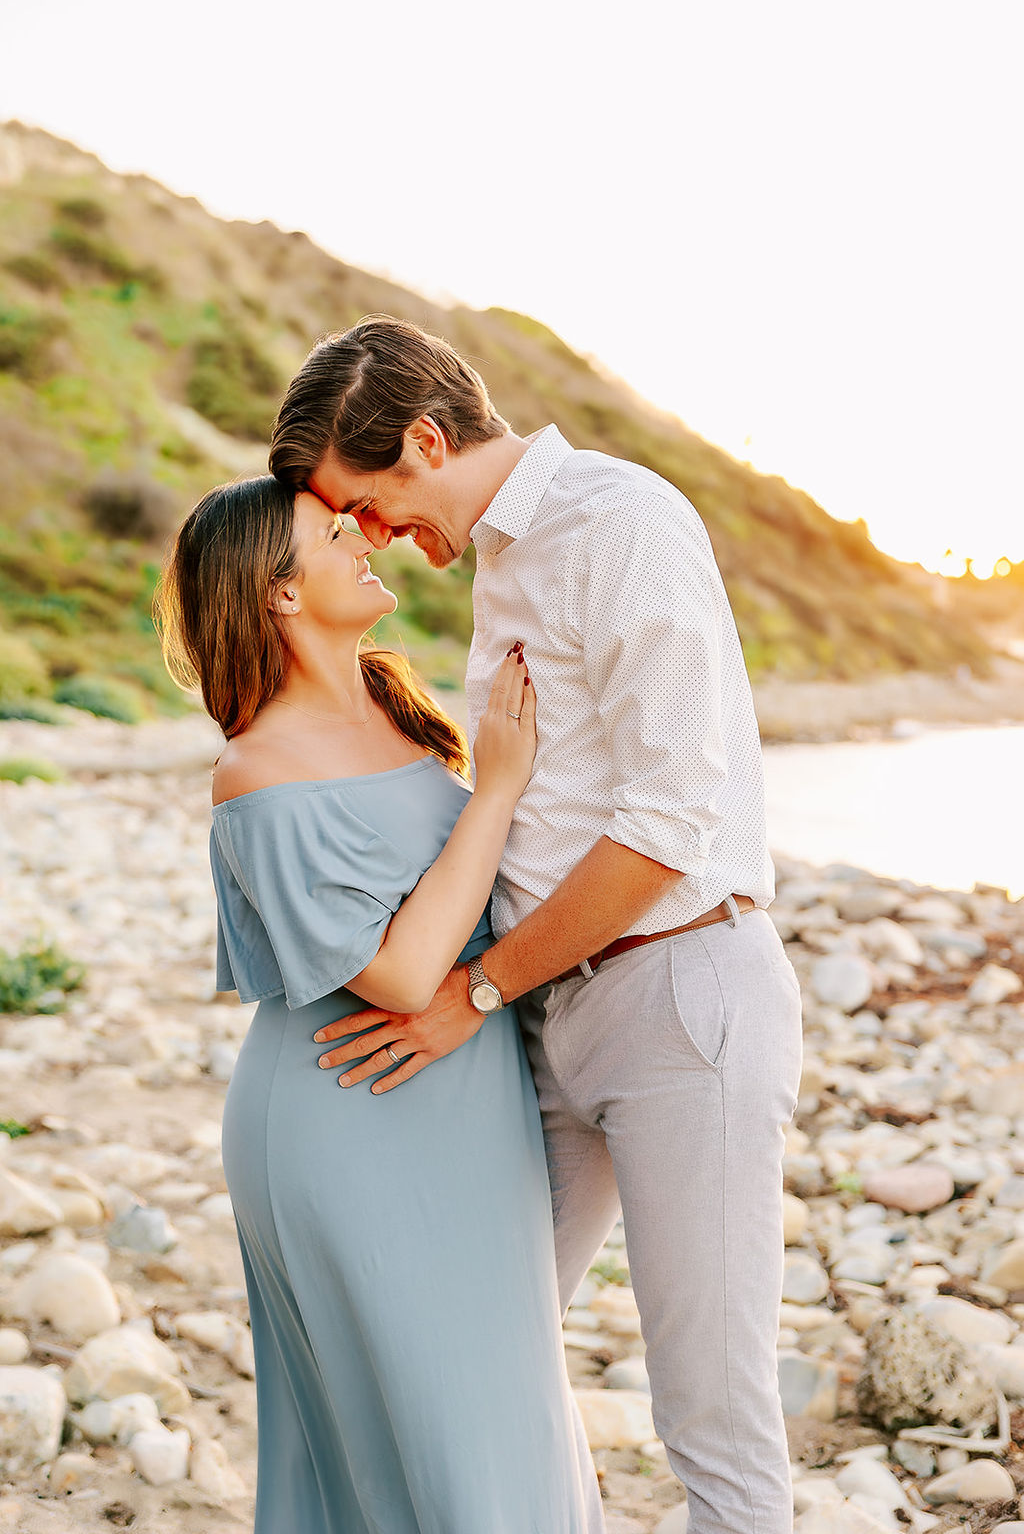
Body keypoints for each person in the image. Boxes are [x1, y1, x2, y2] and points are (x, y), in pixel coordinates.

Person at [269, 316, 805, 1534]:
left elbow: (669, 821)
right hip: (546, 1008)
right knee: (478, 1346)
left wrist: (472, 994)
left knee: (711, 1417)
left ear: (422, 438)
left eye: (375, 505)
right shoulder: (500, 554)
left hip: (678, 998)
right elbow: (543, 802)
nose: (381, 540)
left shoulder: (618, 526)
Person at [157, 476, 604, 1534]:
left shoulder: (394, 706)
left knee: (505, 1410)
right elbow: (398, 977)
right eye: (331, 531)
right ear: (279, 594)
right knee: (422, 1432)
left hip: (465, 1105)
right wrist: (494, 788)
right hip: (345, 1114)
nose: (364, 537)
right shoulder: (256, 768)